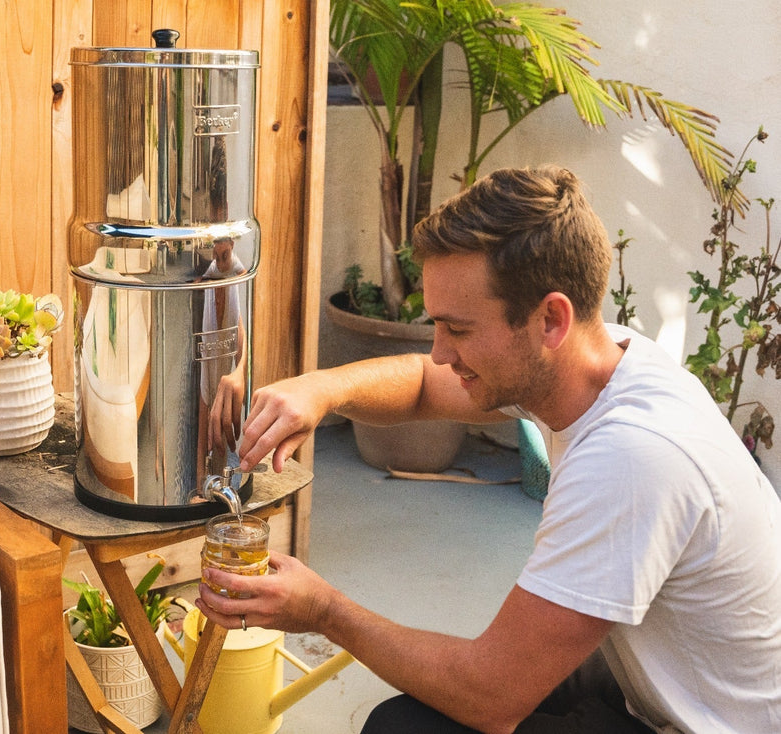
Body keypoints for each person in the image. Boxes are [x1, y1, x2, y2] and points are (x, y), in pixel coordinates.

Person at [195, 166, 781, 733]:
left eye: (460, 329)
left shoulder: (632, 458)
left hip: (708, 721)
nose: (442, 351)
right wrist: (320, 389)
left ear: (551, 318)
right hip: (660, 682)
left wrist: (324, 612)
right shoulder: (602, 360)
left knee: (407, 729)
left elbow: (490, 700)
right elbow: (425, 383)